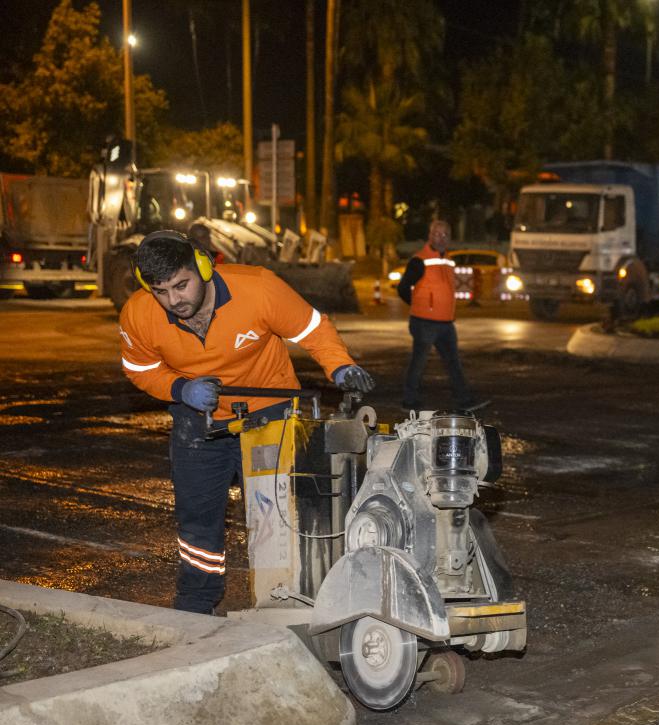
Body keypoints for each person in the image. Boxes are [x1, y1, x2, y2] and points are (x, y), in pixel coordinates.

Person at [118, 230, 375, 614]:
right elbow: (139, 368)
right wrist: (179, 388)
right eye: (161, 292)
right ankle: (196, 601)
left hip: (268, 414)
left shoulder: (258, 289)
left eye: (181, 285)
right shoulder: (139, 314)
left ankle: (283, 597)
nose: (174, 301)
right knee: (197, 517)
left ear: (203, 267)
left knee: (278, 512)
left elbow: (313, 328)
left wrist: (340, 365)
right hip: (197, 423)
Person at [396, 220, 485, 411]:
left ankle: (464, 399)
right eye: (437, 234)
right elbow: (403, 288)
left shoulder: (449, 261)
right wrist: (420, 305)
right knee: (419, 362)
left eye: (445, 235)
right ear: (430, 236)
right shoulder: (419, 260)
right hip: (424, 322)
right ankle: (409, 401)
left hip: (446, 323)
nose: (441, 238)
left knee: (453, 362)